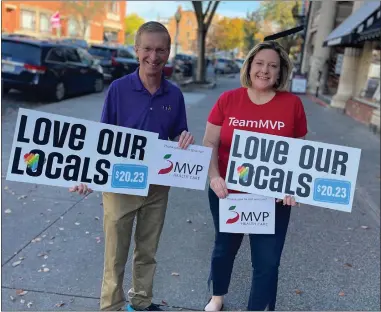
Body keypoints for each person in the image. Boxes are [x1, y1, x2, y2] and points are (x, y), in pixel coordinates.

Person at [69, 21, 194, 311]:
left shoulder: (174, 94)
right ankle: (111, 307)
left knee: (147, 251)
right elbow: (101, 138)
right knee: (115, 255)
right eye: (147, 49)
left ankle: (140, 302)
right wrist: (88, 175)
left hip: (157, 186)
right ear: (137, 50)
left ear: (169, 51)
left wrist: (183, 139)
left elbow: (177, 134)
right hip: (120, 181)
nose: (154, 56)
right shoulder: (118, 89)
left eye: (161, 49)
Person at [202, 40, 308, 311]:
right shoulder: (228, 99)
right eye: (259, 63)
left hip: (273, 199)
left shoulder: (292, 104)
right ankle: (217, 297)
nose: (265, 70)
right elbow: (209, 143)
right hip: (227, 192)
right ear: (249, 66)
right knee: (224, 249)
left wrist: (293, 187)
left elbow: (301, 155)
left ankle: (258, 307)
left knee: (268, 260)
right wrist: (214, 176)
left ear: (280, 72)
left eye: (272, 66)